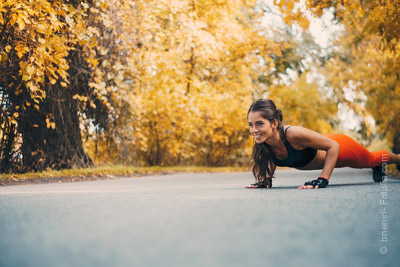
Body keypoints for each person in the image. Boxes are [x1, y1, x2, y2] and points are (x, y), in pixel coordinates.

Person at [247, 99, 400, 189]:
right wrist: (266, 181)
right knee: (372, 160)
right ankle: (379, 165)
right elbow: (272, 157)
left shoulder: (293, 134)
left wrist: (323, 180)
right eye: (251, 125)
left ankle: (397, 158)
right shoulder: (265, 141)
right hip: (328, 146)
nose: (254, 130)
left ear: (274, 123)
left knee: (371, 159)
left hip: (340, 146)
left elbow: (333, 146)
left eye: (259, 124)